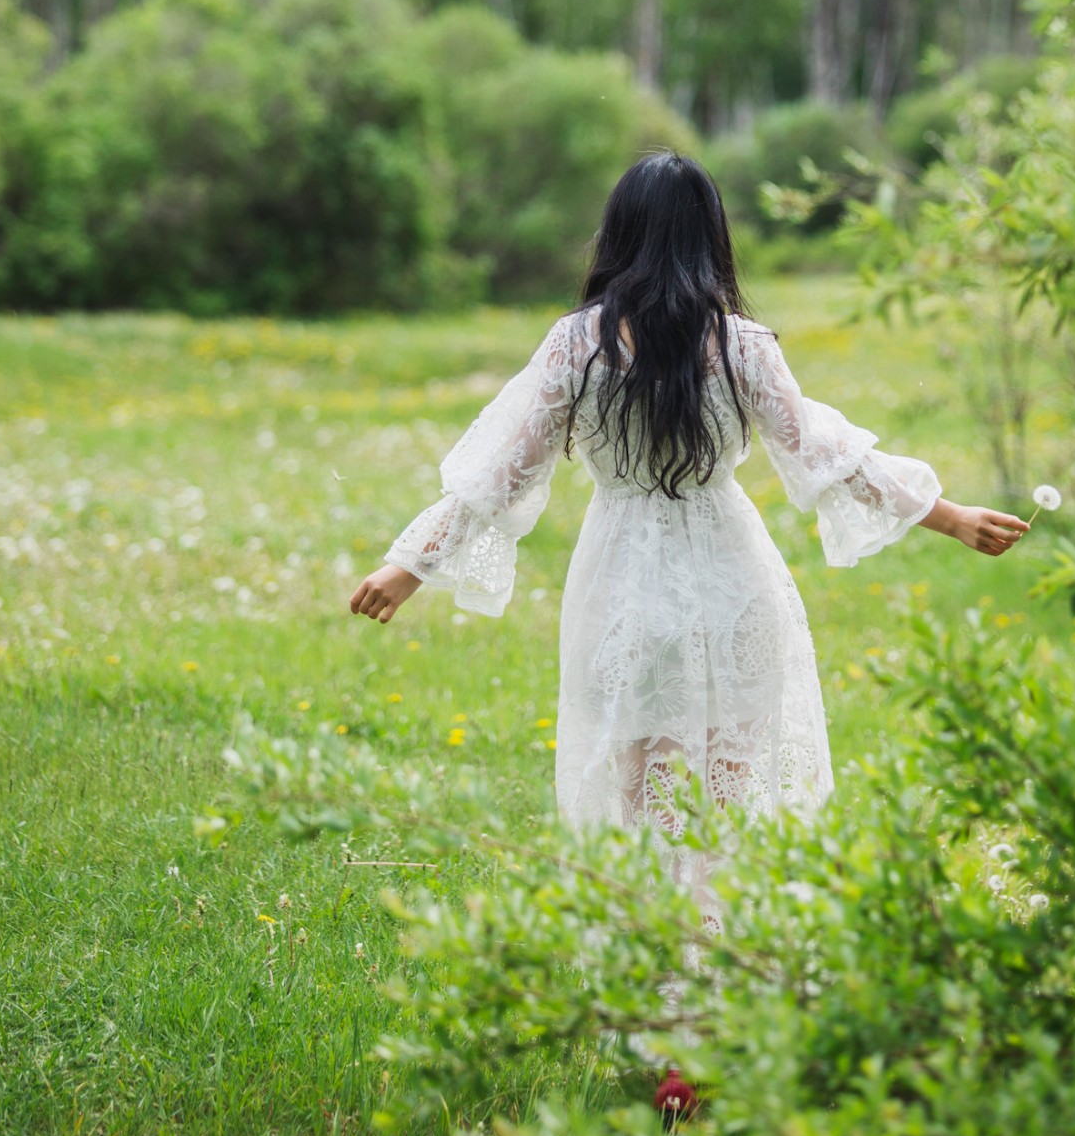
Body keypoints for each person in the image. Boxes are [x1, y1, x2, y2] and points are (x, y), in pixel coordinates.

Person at [350, 151, 1029, 843]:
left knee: (641, 798)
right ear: (711, 237)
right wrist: (950, 517)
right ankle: (718, 941)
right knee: (728, 803)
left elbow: (502, 473)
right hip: (732, 581)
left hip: (622, 585)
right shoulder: (743, 347)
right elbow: (822, 451)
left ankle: (665, 939)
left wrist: (407, 569)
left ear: (618, 234)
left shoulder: (575, 344)